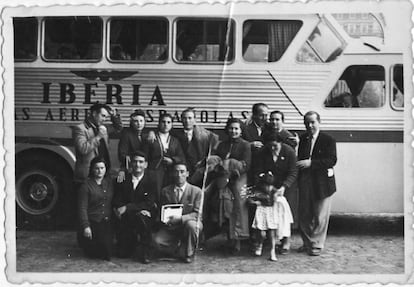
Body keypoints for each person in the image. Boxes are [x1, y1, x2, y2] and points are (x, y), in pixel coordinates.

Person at [296, 111, 337, 256]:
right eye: (307, 123)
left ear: (319, 122)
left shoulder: (328, 139)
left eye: (313, 122)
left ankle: (317, 244)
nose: (310, 125)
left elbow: (332, 160)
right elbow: (300, 158)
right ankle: (307, 242)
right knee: (305, 213)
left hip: (322, 182)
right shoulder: (303, 138)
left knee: (320, 215)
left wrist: (311, 163)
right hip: (306, 180)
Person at [251, 132, 298, 257]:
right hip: (267, 186)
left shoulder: (289, 152)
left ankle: (285, 240)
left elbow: (293, 172)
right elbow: (257, 171)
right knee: (267, 213)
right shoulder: (263, 152)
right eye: (270, 146)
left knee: (284, 212)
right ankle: (264, 241)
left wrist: (283, 187)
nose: (272, 149)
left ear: (281, 143)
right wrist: (264, 185)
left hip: (285, 186)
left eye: (275, 146)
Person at [153, 162, 203, 263]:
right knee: (156, 241)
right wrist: (165, 220)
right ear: (172, 174)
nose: (179, 175)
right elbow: (162, 210)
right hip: (171, 226)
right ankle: (177, 250)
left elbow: (197, 214)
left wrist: (181, 219)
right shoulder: (166, 191)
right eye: (176, 172)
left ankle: (188, 253)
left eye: (182, 172)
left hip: (189, 224)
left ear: (187, 174)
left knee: (192, 226)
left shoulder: (196, 191)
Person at [113, 151, 157, 263]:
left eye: (141, 162)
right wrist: (120, 209)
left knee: (142, 217)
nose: (138, 165)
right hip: (126, 216)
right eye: (135, 161)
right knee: (122, 254)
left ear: (146, 164)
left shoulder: (152, 179)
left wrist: (128, 207)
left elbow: (149, 202)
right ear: (131, 163)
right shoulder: (122, 177)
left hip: (143, 214)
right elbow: (117, 198)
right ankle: (129, 243)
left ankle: (146, 250)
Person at [215, 118, 252, 252]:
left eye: (236, 128)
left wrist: (234, 171)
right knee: (226, 205)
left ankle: (238, 239)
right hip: (224, 178)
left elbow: (246, 163)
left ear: (241, 131)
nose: (233, 131)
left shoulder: (245, 145)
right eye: (231, 128)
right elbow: (218, 159)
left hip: (238, 179)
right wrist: (221, 168)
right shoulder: (222, 145)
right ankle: (229, 238)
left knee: (239, 207)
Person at [73, 103, 122, 186]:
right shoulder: (80, 129)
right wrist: (98, 137)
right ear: (94, 114)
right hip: (88, 174)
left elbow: (118, 128)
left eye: (106, 117)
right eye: (103, 116)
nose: (105, 119)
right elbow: (82, 149)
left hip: (103, 172)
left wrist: (114, 116)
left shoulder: (102, 128)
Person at [249, 171, 293, 261]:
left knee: (272, 233)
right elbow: (249, 198)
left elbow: (280, 198)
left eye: (270, 185)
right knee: (261, 232)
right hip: (261, 211)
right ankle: (259, 244)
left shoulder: (273, 190)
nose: (268, 187)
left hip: (271, 212)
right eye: (266, 185)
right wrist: (255, 202)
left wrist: (278, 198)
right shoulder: (258, 190)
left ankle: (272, 252)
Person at [77, 156, 114, 261]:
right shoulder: (86, 186)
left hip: (106, 221)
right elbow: (82, 208)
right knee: (96, 253)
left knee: (108, 252)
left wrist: (123, 172)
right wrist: (86, 226)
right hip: (93, 222)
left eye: (102, 168)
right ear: (92, 169)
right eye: (97, 168)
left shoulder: (109, 183)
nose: (99, 171)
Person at [172, 108, 219, 186]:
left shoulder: (206, 135)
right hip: (183, 173)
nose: (187, 121)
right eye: (184, 118)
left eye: (190, 118)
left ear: (195, 120)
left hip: (200, 172)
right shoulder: (176, 135)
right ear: (181, 120)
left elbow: (214, 153)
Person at [147, 113, 185, 201]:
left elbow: (181, 157)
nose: (166, 124)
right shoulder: (152, 138)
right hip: (155, 172)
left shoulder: (175, 140)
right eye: (163, 122)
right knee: (155, 194)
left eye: (168, 122)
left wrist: (173, 160)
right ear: (159, 123)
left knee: (169, 195)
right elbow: (146, 155)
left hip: (171, 172)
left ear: (171, 125)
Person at [202, 165, 238, 251]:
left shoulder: (231, 186)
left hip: (227, 208)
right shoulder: (214, 184)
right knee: (214, 223)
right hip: (216, 207)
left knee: (230, 224)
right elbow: (206, 192)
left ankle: (233, 242)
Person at [117, 109, 151, 182]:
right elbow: (122, 153)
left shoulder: (147, 134)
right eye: (136, 121)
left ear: (145, 122)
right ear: (132, 123)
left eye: (141, 121)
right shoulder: (126, 135)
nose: (139, 123)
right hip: (132, 167)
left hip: (146, 168)